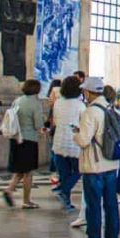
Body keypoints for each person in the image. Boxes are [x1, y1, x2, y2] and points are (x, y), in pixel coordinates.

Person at [72, 77, 120, 238]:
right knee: (111, 203)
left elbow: (84, 140)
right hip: (111, 163)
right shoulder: (110, 108)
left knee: (93, 204)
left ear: (88, 92)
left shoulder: (91, 112)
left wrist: (75, 134)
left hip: (95, 164)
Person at [3, 79, 46, 209]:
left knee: (19, 169)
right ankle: (26, 200)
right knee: (28, 172)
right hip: (29, 140)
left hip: (16, 139)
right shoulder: (35, 104)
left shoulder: (18, 100)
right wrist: (44, 130)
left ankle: (9, 190)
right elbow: (38, 125)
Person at [51, 75, 84, 211]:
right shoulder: (80, 105)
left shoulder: (58, 103)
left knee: (64, 174)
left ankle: (67, 201)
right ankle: (63, 190)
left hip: (59, 142)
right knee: (79, 170)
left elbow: (56, 121)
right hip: (74, 144)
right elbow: (82, 124)